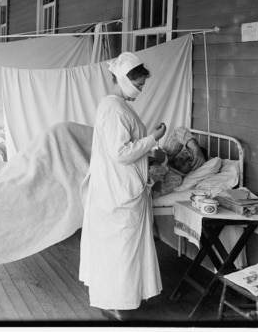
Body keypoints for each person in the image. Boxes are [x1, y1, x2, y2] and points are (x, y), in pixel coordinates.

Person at [79, 51, 166, 317]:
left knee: (118, 249)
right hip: (117, 192)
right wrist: (152, 138)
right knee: (120, 250)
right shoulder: (115, 108)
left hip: (115, 187)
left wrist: (149, 155)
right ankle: (114, 303)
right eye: (138, 86)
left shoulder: (116, 106)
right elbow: (120, 153)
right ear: (125, 81)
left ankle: (117, 299)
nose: (140, 91)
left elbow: (120, 149)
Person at [148, 127, 207, 197]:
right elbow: (178, 132)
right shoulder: (169, 153)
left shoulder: (175, 178)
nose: (184, 158)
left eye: (191, 160)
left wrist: (157, 162)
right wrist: (196, 148)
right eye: (186, 153)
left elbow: (155, 193)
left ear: (194, 168)